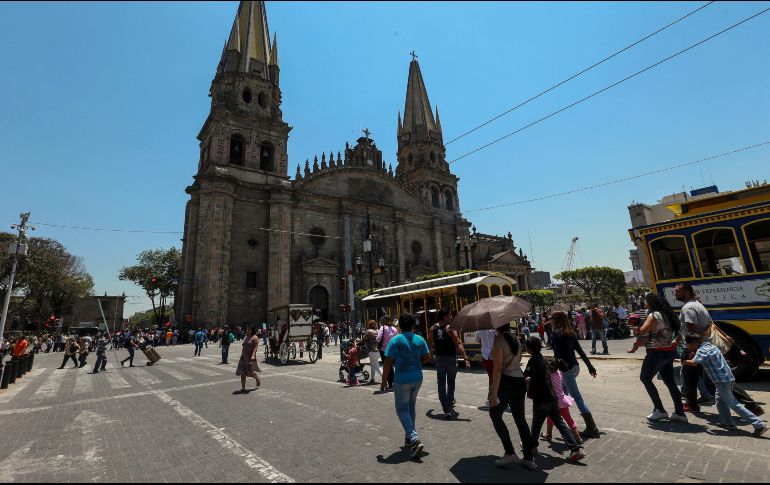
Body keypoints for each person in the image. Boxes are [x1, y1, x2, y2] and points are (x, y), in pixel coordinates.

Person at [684, 335, 767, 437]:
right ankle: (728, 423)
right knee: (720, 401)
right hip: (728, 377)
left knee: (733, 404)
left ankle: (759, 424)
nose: (687, 346)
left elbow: (693, 363)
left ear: (692, 343)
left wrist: (683, 361)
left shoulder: (702, 351)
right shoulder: (710, 345)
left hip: (721, 381)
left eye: (688, 345)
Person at [524, 336, 585, 463]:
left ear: (529, 349)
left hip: (541, 399)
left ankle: (532, 447)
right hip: (553, 398)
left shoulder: (532, 361)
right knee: (560, 423)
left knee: (536, 424)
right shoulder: (545, 359)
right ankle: (576, 449)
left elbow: (526, 376)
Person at [629, 293, 687, 423]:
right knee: (670, 381)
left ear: (650, 302)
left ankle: (659, 410)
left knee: (645, 378)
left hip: (656, 353)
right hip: (668, 352)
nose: (644, 302)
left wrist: (636, 328)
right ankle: (679, 412)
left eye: (645, 300)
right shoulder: (667, 314)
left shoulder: (654, 315)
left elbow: (643, 330)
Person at [381, 313, 431, 459]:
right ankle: (409, 437)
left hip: (402, 379)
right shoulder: (420, 339)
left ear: (400, 326)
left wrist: (384, 381)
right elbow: (428, 357)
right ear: (413, 325)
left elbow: (388, 362)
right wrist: (416, 362)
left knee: (401, 409)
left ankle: (414, 439)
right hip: (417, 377)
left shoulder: (395, 340)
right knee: (410, 407)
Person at [488, 321, 536, 470]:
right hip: (519, 380)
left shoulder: (499, 342)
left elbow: (497, 370)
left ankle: (510, 453)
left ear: (497, 327)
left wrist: (493, 393)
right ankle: (529, 458)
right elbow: (519, 359)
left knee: (495, 414)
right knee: (520, 419)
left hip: (507, 382)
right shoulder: (515, 339)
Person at [550, 311, 600, 440]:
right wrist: (590, 367)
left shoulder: (556, 334)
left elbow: (557, 356)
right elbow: (580, 351)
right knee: (560, 394)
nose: (550, 320)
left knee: (577, 397)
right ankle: (557, 421)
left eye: (552, 318)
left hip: (566, 370)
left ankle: (592, 428)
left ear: (556, 320)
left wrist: (552, 370)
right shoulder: (570, 332)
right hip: (575, 367)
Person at [428, 309, 471, 419]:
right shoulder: (450, 328)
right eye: (450, 315)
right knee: (451, 382)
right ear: (445, 316)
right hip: (451, 359)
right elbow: (458, 343)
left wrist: (432, 356)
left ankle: (446, 408)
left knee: (441, 384)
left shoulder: (432, 328)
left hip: (439, 359)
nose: (451, 317)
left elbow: (429, 344)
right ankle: (450, 401)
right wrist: (465, 357)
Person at [541, 357, 582, 446]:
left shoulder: (548, 377)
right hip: (563, 402)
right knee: (569, 420)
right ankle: (578, 438)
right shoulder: (559, 374)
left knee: (550, 418)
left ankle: (548, 434)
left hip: (554, 403)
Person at [235, 326, 261, 393]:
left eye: (248, 329)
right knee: (242, 372)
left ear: (252, 330)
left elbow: (255, 347)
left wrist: (253, 355)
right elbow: (243, 347)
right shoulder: (245, 337)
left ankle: (257, 378)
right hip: (243, 357)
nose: (247, 330)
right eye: (247, 329)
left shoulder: (255, 337)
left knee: (250, 373)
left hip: (250, 357)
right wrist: (242, 354)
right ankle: (243, 388)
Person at [376, 316, 398, 391]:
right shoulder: (394, 329)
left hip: (384, 350)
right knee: (390, 366)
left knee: (387, 367)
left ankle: (390, 384)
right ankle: (393, 383)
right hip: (393, 350)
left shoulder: (383, 328)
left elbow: (378, 338)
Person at [476, 328, 497, 406]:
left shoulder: (479, 330)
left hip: (485, 356)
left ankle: (491, 395)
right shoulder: (495, 330)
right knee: (495, 376)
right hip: (494, 355)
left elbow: (477, 340)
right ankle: (492, 395)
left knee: (491, 377)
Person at [364, 320, 382, 384]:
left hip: (372, 350)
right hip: (379, 350)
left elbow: (364, 339)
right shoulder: (378, 331)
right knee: (372, 364)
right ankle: (372, 378)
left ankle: (385, 376)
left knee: (375, 365)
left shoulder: (369, 331)